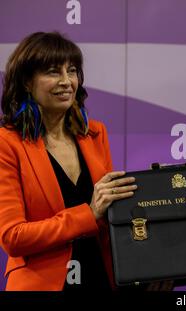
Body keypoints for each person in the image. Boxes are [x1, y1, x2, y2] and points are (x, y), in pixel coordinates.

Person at [0, 32, 137, 290]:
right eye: (53, 72)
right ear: (27, 82)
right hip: (42, 284)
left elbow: (110, 214)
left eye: (72, 71)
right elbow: (13, 237)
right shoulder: (7, 143)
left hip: (100, 277)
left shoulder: (96, 134)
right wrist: (88, 213)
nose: (66, 82)